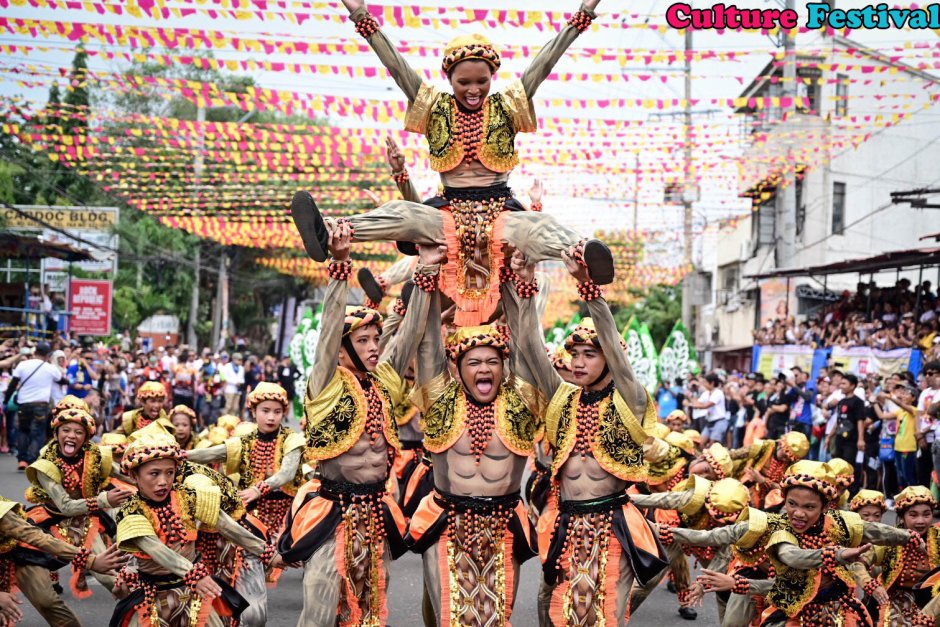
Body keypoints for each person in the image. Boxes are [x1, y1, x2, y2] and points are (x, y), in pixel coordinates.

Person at [292, 0, 615, 328]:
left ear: (492, 77)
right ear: (449, 79)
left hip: (500, 213)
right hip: (447, 213)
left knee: (539, 226)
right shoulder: (434, 107)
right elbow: (396, 66)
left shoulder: (507, 105)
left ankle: (582, 250)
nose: (474, 90)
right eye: (464, 83)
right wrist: (361, 14)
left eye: (482, 81)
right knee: (402, 213)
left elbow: (544, 64)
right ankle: (329, 229)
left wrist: (583, 15)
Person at [279, 223, 436, 626]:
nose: (373, 347)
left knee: (368, 612)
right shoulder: (326, 382)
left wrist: (425, 276)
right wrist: (340, 264)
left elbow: (410, 334)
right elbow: (330, 326)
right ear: (344, 348)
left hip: (375, 510)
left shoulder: (382, 380)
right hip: (333, 509)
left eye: (374, 339)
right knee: (320, 610)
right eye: (363, 340)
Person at [508, 249, 667, 626]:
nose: (578, 362)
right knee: (563, 614)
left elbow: (612, 341)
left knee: (604, 616)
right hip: (567, 522)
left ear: (609, 360)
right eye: (574, 354)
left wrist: (588, 287)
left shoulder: (630, 398)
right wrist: (525, 285)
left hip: (613, 521)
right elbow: (530, 346)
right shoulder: (562, 396)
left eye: (589, 355)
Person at [111, 431, 287, 627]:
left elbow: (226, 524)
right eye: (154, 473)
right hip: (152, 597)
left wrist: (269, 554)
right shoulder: (131, 512)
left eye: (169, 472)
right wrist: (195, 574)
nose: (163, 481)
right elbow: (158, 551)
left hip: (193, 593)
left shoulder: (187, 497)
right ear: (135, 476)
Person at [187, 382, 304, 625]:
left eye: (276, 411)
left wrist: (258, 489)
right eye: (265, 410)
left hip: (286, 516)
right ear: (253, 412)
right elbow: (211, 454)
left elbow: (287, 474)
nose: (271, 417)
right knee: (243, 575)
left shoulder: (292, 440)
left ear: (284, 413)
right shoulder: (244, 442)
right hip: (250, 519)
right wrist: (174, 455)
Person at [24, 405, 131, 600]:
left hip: (85, 520)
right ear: (56, 434)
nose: (71, 435)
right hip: (54, 521)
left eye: (78, 432)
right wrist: (104, 499)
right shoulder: (45, 464)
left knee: (109, 577)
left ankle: (139, 611)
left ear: (87, 438)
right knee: (33, 581)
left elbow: (126, 473)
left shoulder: (97, 455)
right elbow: (65, 506)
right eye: (66, 430)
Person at [0, 494, 128, 627]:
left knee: (46, 601)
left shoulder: (4, 515)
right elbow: (65, 505)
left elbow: (35, 536)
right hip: (58, 515)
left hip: (20, 550)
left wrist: (89, 561)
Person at [4, 341, 64, 469]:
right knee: (37, 432)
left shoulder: (23, 364)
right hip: (41, 405)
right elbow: (62, 380)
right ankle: (32, 460)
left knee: (23, 430)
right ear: (47, 355)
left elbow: (13, 384)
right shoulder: (50, 368)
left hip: (23, 404)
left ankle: (22, 460)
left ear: (34, 352)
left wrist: (6, 401)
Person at [831, 373, 867, 492]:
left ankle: (851, 492)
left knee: (849, 466)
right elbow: (839, 420)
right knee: (838, 465)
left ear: (852, 386)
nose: (841, 386)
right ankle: (838, 492)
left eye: (844, 383)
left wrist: (860, 439)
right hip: (839, 438)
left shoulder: (857, 402)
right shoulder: (841, 402)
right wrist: (830, 436)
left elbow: (860, 421)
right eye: (840, 383)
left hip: (851, 440)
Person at [219, 353, 245, 417]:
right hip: (229, 389)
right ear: (234, 359)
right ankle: (223, 421)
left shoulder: (241, 368)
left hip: (238, 390)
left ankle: (232, 422)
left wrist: (240, 382)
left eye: (241, 360)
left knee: (235, 407)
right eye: (238, 360)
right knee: (228, 406)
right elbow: (225, 378)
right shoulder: (227, 366)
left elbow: (242, 379)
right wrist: (235, 382)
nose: (240, 361)